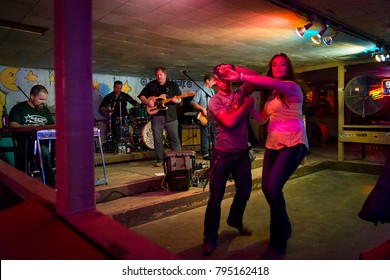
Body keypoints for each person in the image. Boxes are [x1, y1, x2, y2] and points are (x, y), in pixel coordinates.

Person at [223, 53, 309, 259]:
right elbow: (262, 121)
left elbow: (269, 81)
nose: (278, 66)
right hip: (273, 143)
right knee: (267, 188)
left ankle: (278, 241)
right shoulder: (271, 95)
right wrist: (251, 109)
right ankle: (285, 227)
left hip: (293, 142)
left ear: (288, 67)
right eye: (274, 64)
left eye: (282, 63)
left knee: (273, 188)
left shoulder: (291, 87)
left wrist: (241, 76)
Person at [201, 64, 259, 256]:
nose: (226, 81)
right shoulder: (215, 101)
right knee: (215, 198)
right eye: (222, 78)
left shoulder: (240, 93)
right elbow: (229, 122)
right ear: (216, 81)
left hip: (242, 154)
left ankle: (234, 219)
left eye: (228, 77)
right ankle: (210, 237)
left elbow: (254, 76)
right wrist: (245, 106)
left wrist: (234, 68)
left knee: (244, 192)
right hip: (222, 155)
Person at [9, 85, 56, 188]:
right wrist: (29, 126)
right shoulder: (19, 108)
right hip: (26, 143)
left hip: (45, 141)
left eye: (45, 99)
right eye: (40, 99)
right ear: (32, 96)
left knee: (65, 146)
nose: (43, 102)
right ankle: (51, 184)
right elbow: (12, 125)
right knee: (43, 150)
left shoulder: (45, 110)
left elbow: (51, 126)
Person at [138, 66, 182, 167]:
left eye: (161, 74)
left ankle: (178, 159)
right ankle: (160, 160)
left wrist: (177, 100)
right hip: (156, 116)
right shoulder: (151, 85)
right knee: (157, 139)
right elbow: (142, 96)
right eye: (157, 75)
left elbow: (180, 99)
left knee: (174, 138)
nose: (159, 76)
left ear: (165, 75)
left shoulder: (173, 85)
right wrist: (147, 102)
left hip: (171, 116)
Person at [191, 74, 216, 160]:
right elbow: (193, 102)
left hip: (212, 115)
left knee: (214, 134)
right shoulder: (200, 90)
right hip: (204, 115)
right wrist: (202, 108)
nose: (214, 82)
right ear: (207, 81)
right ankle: (205, 153)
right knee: (205, 134)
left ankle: (215, 151)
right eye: (212, 81)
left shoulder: (212, 91)